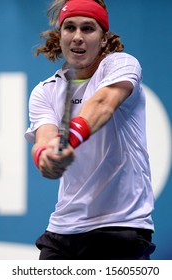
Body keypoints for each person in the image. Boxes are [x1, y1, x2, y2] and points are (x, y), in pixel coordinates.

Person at [25, 0, 156, 260]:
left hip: (121, 226)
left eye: (88, 29)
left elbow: (103, 104)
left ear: (105, 38)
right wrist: (46, 156)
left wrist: (68, 140)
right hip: (62, 230)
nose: (77, 37)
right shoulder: (45, 90)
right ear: (59, 36)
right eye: (70, 28)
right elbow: (45, 138)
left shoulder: (122, 64)